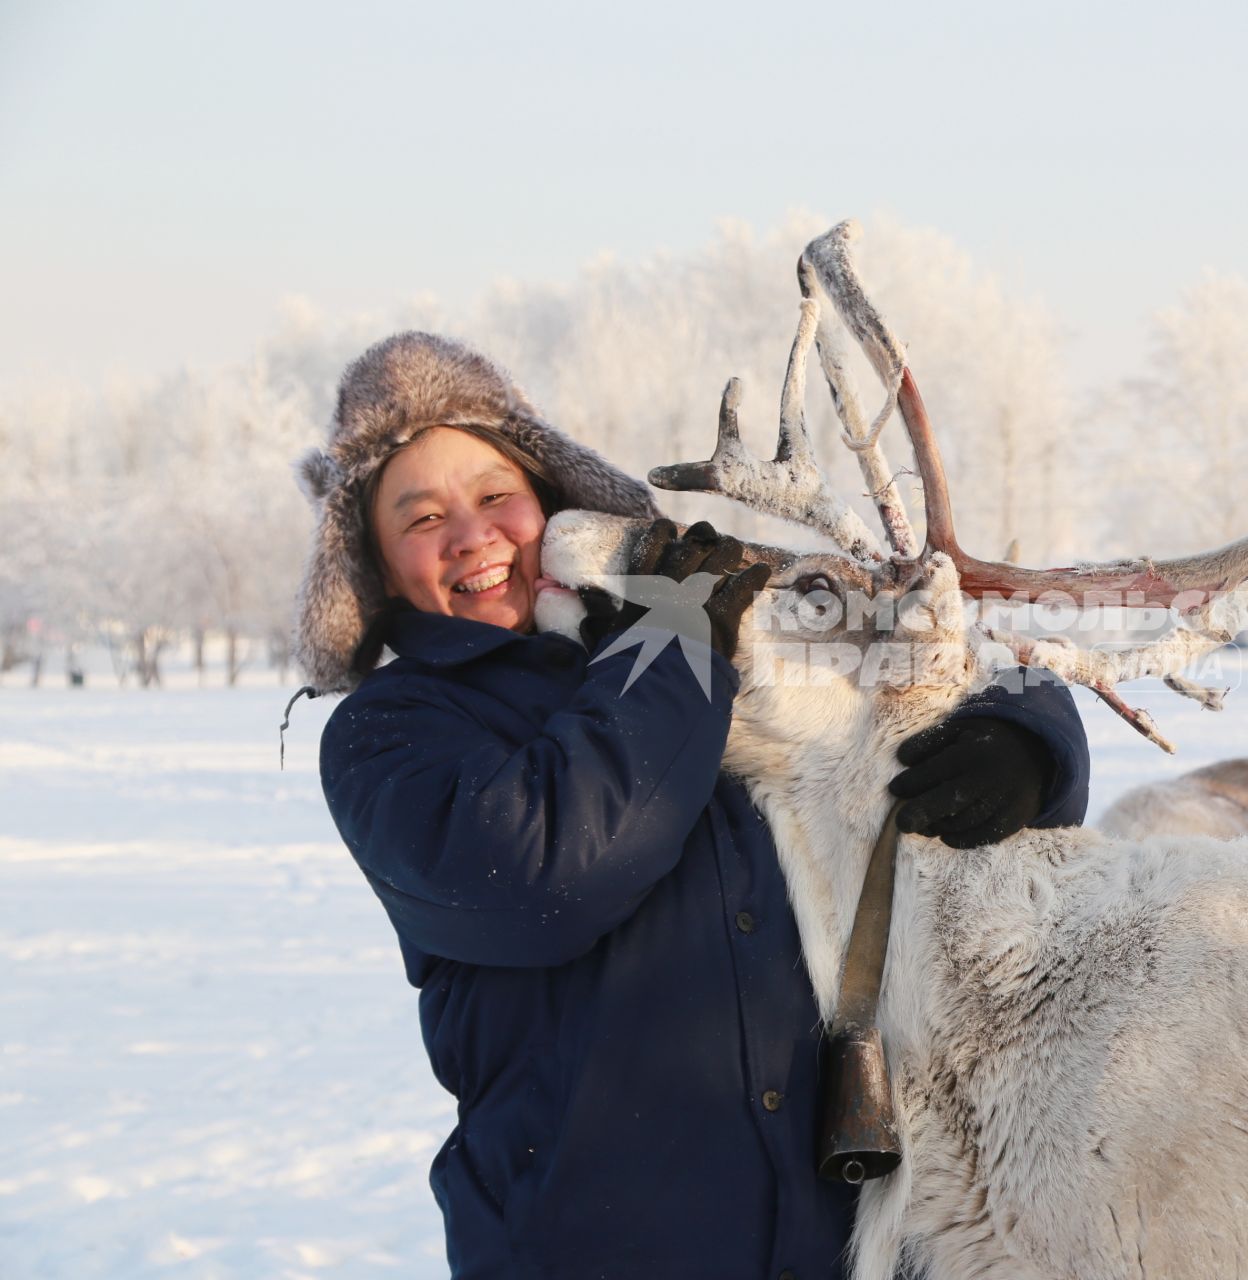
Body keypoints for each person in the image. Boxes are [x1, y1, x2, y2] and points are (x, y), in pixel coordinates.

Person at [291, 332, 1090, 1279]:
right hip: (594, 1247)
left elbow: (901, 638)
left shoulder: (664, 634)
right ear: (376, 567)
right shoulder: (393, 731)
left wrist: (1028, 742)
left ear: (545, 499)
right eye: (422, 518)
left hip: (834, 1236)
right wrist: (673, 642)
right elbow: (551, 872)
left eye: (496, 495)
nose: (472, 535)